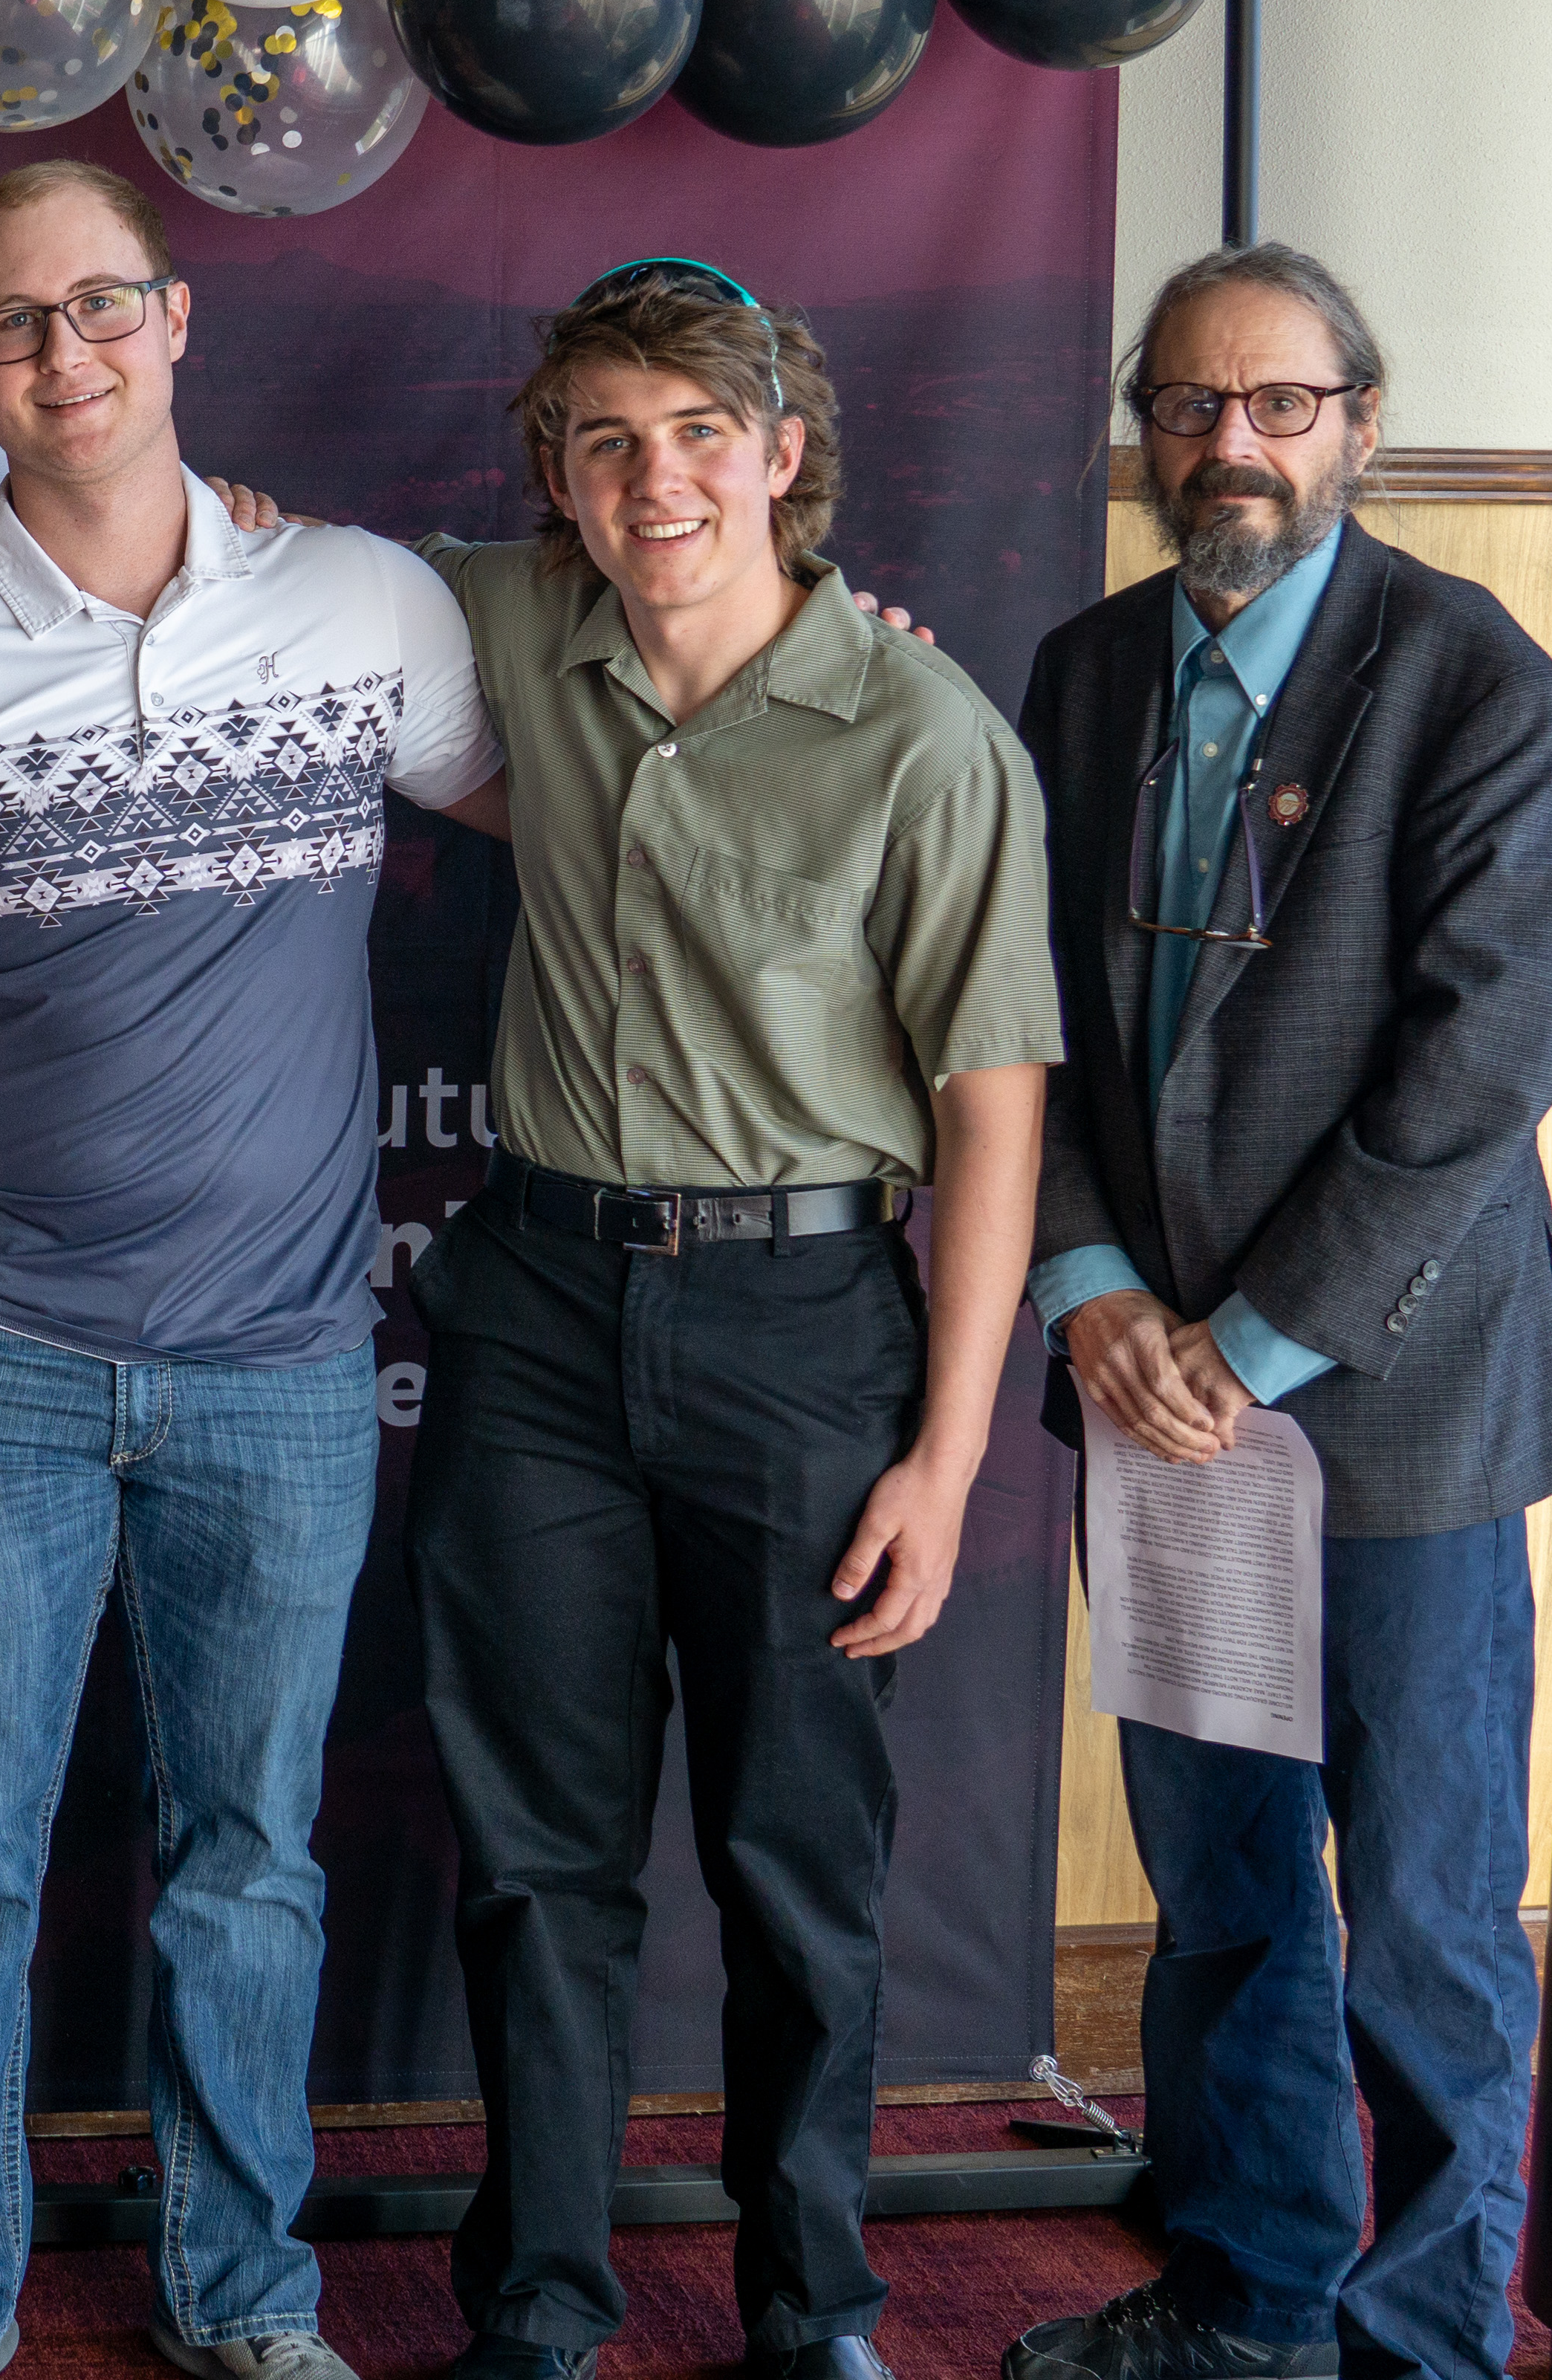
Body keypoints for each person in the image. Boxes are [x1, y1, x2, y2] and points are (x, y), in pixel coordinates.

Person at [0, 158, 507, 2380]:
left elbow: (602, 800)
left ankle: (246, 2301)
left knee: (250, 1869)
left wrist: (811, 672)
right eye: (11, 324)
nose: (62, 354)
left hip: (286, 1369)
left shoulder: (367, 609)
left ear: (177, 320)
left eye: (100, 307)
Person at [407, 260, 1057, 2380]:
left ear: (787, 457)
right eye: (606, 440)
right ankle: (542, 2302)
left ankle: (816, 2309)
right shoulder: (501, 623)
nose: (653, 477)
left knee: (796, 1855)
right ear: (558, 483)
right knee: (537, 1853)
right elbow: (245, 573)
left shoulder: (929, 736)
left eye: (699, 432)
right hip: (532, 1311)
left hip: (805, 1328)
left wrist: (950, 1462)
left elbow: (990, 1121)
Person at [1004, 245, 1552, 2380]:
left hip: (1393, 1408)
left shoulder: (1478, 684)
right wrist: (1086, 1297)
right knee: (1230, 1888)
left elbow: (1481, 1070)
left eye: (1276, 404)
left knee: (1426, 1918)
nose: (1226, 444)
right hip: (1147, 1395)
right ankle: (1250, 2301)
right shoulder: (1077, 677)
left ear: (1360, 422)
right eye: (1187, 404)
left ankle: (1421, 2341)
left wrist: (1237, 1357)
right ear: (1144, 429)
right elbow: (1021, 1027)